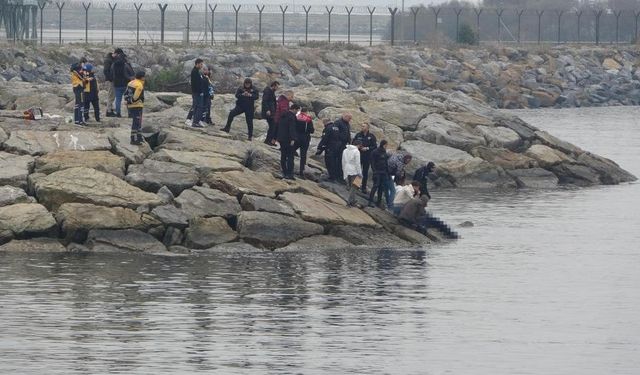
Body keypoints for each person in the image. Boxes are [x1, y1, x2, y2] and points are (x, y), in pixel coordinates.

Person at [353, 122, 377, 194]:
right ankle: (356, 185)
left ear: (367, 128)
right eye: (362, 126)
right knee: (357, 170)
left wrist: (367, 148)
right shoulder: (358, 135)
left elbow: (374, 146)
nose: (362, 127)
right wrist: (359, 147)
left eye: (364, 126)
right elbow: (353, 142)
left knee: (365, 172)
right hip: (358, 155)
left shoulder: (371, 136)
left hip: (367, 156)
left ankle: (363, 187)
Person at [278, 103, 300, 180]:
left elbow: (278, 125)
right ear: (294, 109)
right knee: (290, 157)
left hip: (281, 138)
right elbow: (292, 128)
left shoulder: (282, 115)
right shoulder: (292, 117)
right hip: (288, 139)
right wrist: (293, 139)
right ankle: (290, 174)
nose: (297, 112)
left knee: (283, 156)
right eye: (297, 111)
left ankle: (284, 172)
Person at [368, 140, 391, 208]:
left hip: (383, 172)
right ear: (383, 145)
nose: (386, 146)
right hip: (377, 172)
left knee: (381, 187)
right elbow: (372, 162)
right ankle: (370, 201)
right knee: (375, 186)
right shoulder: (375, 152)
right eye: (386, 145)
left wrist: (388, 173)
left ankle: (378, 202)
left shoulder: (385, 153)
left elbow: (386, 163)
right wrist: (374, 171)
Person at [111, 48, 134, 118]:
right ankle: (130, 113)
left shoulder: (114, 64)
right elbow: (131, 72)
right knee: (128, 98)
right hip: (126, 84)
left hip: (117, 84)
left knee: (118, 99)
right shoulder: (125, 64)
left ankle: (118, 113)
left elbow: (112, 73)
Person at [126, 71, 146, 145]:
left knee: (138, 121)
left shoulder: (131, 82)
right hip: (137, 105)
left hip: (130, 106)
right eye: (144, 76)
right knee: (137, 122)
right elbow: (136, 97)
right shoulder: (139, 85)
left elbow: (126, 93)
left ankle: (139, 136)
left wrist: (128, 101)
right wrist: (132, 101)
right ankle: (134, 139)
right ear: (142, 77)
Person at [294, 107, 314, 179]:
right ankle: (301, 172)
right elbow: (312, 130)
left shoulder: (296, 117)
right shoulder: (308, 119)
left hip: (296, 137)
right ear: (306, 112)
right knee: (303, 155)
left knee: (291, 151)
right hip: (305, 138)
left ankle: (289, 167)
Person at [342, 139, 363, 207]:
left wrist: (343, 169)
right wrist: (360, 172)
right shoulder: (356, 151)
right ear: (359, 145)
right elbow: (357, 163)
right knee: (354, 187)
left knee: (350, 186)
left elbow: (343, 161)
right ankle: (349, 201)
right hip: (354, 171)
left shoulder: (345, 150)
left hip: (346, 169)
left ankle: (353, 201)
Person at [189, 59, 208, 128]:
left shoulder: (197, 71)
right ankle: (195, 122)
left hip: (198, 92)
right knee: (198, 107)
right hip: (197, 93)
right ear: (197, 64)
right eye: (201, 64)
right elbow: (196, 84)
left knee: (198, 107)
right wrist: (200, 92)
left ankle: (196, 121)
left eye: (202, 64)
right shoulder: (194, 72)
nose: (201, 65)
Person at [261, 81, 279, 145]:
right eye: (277, 86)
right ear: (273, 86)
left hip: (272, 112)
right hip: (269, 112)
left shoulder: (272, 92)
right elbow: (264, 101)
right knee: (272, 126)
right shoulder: (267, 91)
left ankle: (268, 140)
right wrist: (267, 110)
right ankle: (268, 141)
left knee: (273, 126)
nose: (277, 88)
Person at [103, 51, 116, 117]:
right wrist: (110, 79)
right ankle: (109, 110)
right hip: (110, 80)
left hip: (110, 80)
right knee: (110, 95)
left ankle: (110, 109)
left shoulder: (110, 60)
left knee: (111, 95)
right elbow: (106, 71)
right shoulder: (108, 60)